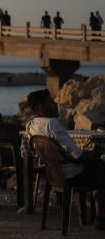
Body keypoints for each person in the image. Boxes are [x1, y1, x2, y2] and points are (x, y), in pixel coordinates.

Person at [24, 89, 105, 229]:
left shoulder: (31, 125)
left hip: (53, 174)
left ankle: (95, 216)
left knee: (97, 166)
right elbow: (77, 155)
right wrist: (93, 154)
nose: (55, 104)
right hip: (71, 174)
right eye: (50, 102)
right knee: (101, 166)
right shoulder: (52, 124)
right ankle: (100, 216)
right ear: (40, 107)